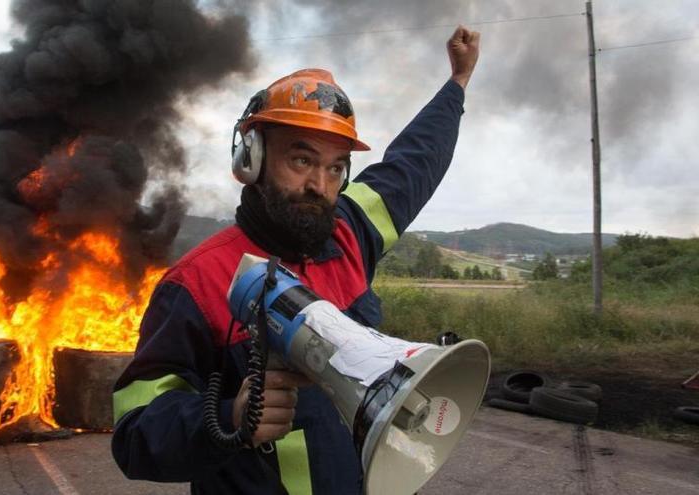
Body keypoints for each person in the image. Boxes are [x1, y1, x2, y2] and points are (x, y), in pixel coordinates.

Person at [111, 26, 481, 494]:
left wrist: (458, 82)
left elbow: (415, 162)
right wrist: (232, 418)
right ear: (253, 158)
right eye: (302, 161)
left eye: (334, 167)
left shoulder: (350, 233)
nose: (320, 186)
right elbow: (134, 434)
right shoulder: (196, 283)